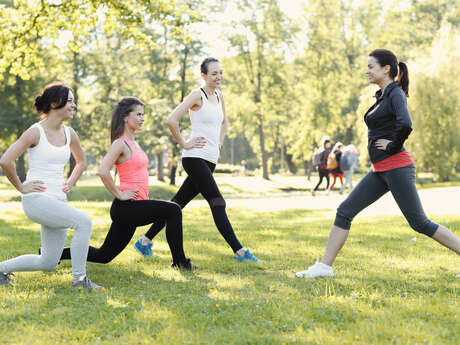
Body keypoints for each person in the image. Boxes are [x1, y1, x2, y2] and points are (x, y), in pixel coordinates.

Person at [296, 49, 460, 278]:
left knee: (419, 223)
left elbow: (405, 124)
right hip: (380, 170)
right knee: (344, 211)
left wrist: (392, 146)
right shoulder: (382, 95)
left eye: (371, 67)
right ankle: (324, 267)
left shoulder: (395, 94)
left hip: (397, 167)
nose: (367, 71)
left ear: (386, 69)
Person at [134, 57, 260, 262]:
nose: (218, 76)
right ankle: (239, 251)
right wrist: (184, 143)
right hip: (194, 158)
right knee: (218, 201)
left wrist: (218, 143)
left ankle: (145, 241)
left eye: (220, 72)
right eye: (213, 73)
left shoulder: (219, 95)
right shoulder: (196, 95)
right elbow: (171, 120)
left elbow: (224, 122)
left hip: (210, 159)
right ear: (203, 75)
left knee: (177, 203)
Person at [58, 97, 195, 270]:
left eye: (143, 115)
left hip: (133, 207)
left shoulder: (134, 143)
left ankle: (55, 254)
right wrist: (119, 193)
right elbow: (102, 170)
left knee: (104, 255)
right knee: (173, 210)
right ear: (125, 117)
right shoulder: (120, 143)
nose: (142, 118)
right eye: (138, 114)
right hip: (127, 207)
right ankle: (180, 262)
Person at [0, 82, 102, 289]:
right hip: (37, 199)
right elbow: (6, 160)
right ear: (55, 103)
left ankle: (1, 268)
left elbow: (81, 162)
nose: (74, 105)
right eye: (70, 101)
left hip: (57, 200)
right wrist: (21, 187)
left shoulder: (70, 133)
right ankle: (80, 280)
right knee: (83, 222)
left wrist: (70, 183)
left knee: (48, 262)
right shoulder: (35, 132)